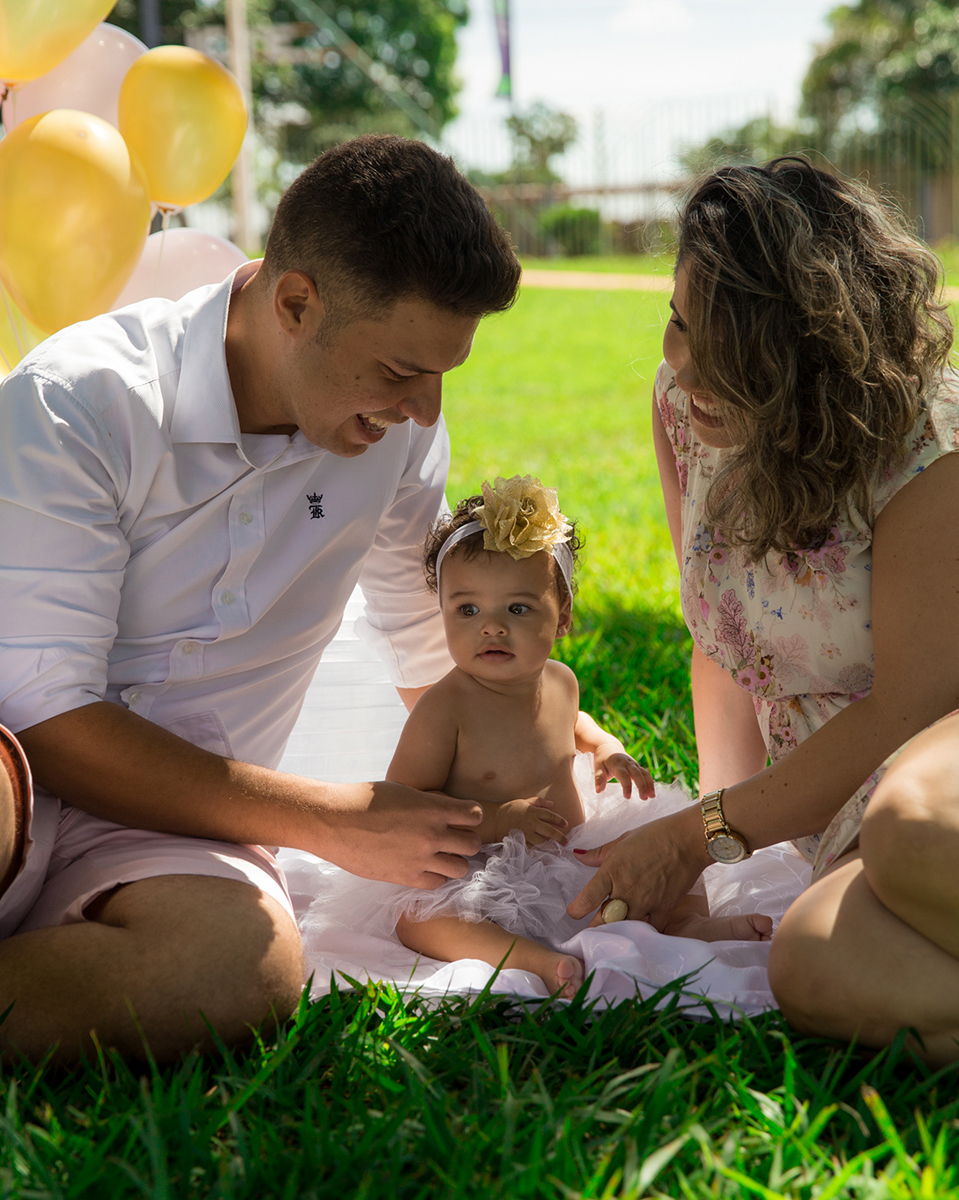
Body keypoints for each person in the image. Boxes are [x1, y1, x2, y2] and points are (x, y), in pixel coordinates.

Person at [0, 135, 522, 1064]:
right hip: (13, 775)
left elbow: (421, 640)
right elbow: (45, 715)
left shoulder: (394, 438)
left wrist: (550, 733)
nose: (426, 411)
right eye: (401, 372)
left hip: (181, 828)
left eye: (444, 374)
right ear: (293, 303)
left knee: (242, 968)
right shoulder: (80, 401)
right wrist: (327, 819)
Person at [567, 156, 959, 1063]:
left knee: (909, 831)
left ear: (813, 353)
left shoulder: (924, 444)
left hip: (928, 752)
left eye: (730, 350)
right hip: (842, 804)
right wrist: (728, 855)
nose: (685, 366)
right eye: (676, 321)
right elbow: (725, 646)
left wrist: (699, 836)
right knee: (814, 961)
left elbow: (910, 708)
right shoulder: (681, 409)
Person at [305, 475, 772, 999]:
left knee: (667, 853)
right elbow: (406, 805)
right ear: (442, 615)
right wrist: (500, 818)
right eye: (468, 610)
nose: (492, 627)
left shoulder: (559, 679)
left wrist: (607, 749)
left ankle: (685, 925)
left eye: (518, 609)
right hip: (481, 862)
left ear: (564, 616)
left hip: (571, 848)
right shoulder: (445, 708)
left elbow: (576, 722)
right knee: (416, 915)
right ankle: (536, 960)